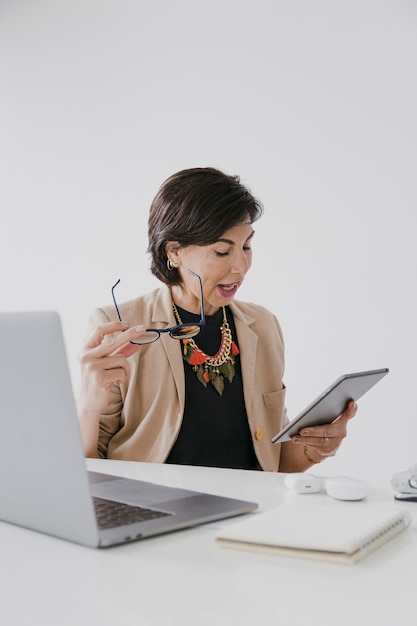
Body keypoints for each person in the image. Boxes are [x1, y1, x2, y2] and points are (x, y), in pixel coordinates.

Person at [77, 167, 356, 472]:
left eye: (247, 246)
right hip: (156, 511)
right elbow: (87, 468)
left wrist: (319, 447)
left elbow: (274, 463)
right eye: (222, 251)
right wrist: (90, 405)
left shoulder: (263, 326)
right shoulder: (120, 326)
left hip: (251, 513)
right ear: (174, 252)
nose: (241, 266)